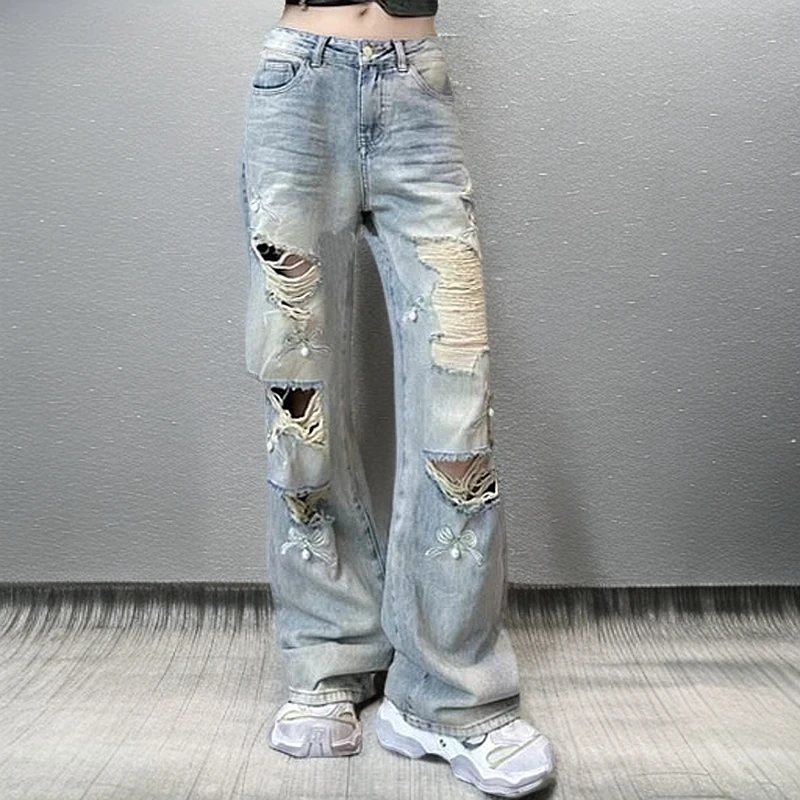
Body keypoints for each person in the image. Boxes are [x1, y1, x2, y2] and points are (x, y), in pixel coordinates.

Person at [239, 1, 558, 795]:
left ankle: (450, 695)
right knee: (297, 393)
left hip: (417, 94)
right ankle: (328, 657)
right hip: (295, 90)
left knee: (459, 399)